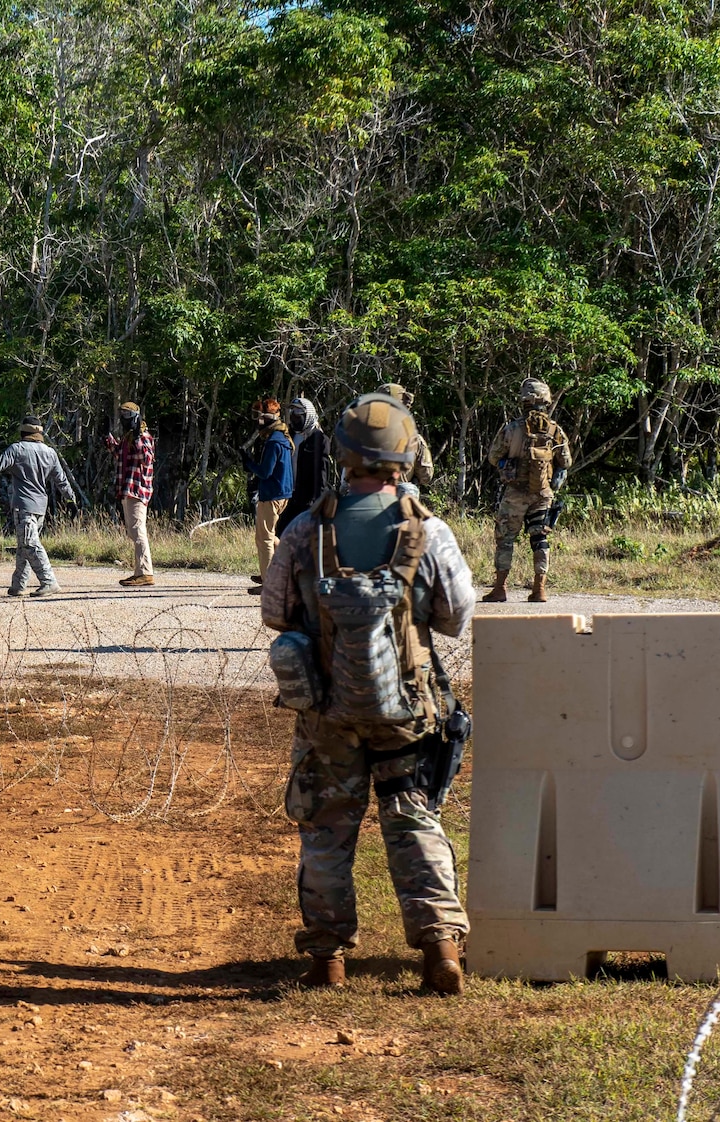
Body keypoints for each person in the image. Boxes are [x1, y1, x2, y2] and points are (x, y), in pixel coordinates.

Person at [259, 390, 474, 995]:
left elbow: (276, 613)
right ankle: (441, 951)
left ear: (342, 454)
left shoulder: (305, 529)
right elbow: (457, 616)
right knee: (413, 820)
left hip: (327, 710)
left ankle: (326, 960)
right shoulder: (428, 531)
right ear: (404, 455)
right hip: (407, 708)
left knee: (326, 829)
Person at [0, 419, 78, 597]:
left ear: (23, 433)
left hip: (24, 505)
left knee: (29, 544)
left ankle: (49, 581)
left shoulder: (17, 449)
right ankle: (18, 584)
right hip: (41, 507)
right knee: (23, 546)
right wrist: (71, 499)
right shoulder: (50, 453)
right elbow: (61, 480)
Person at [484, 379, 571, 603]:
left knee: (505, 539)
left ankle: (500, 588)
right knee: (540, 539)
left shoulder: (512, 429)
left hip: (515, 493)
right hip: (542, 493)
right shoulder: (555, 431)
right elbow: (566, 461)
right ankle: (539, 589)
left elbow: (493, 457)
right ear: (547, 402)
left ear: (524, 402)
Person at [103, 401, 156, 587]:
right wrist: (107, 436)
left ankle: (145, 573)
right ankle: (140, 572)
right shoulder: (127, 438)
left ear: (135, 417)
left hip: (137, 489)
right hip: (127, 488)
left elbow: (147, 459)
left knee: (137, 530)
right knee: (134, 531)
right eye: (121, 415)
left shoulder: (144, 436)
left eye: (127, 415)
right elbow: (118, 453)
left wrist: (137, 438)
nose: (123, 418)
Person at [244, 400, 295, 592]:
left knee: (264, 538)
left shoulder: (274, 441)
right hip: (282, 493)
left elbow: (265, 472)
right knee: (268, 535)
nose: (256, 422)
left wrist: (248, 463)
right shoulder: (283, 438)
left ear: (268, 419)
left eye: (258, 418)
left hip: (272, 494)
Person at [275, 397, 331, 537]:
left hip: (308, 500)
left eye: (298, 413)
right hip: (288, 496)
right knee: (280, 534)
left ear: (308, 415)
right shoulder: (290, 434)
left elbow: (322, 475)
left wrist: (319, 504)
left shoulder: (319, 439)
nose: (294, 416)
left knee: (306, 539)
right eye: (292, 412)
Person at [377, 384, 435, 495]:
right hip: (396, 504)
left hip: (363, 503)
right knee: (409, 490)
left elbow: (346, 479)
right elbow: (426, 476)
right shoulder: (414, 440)